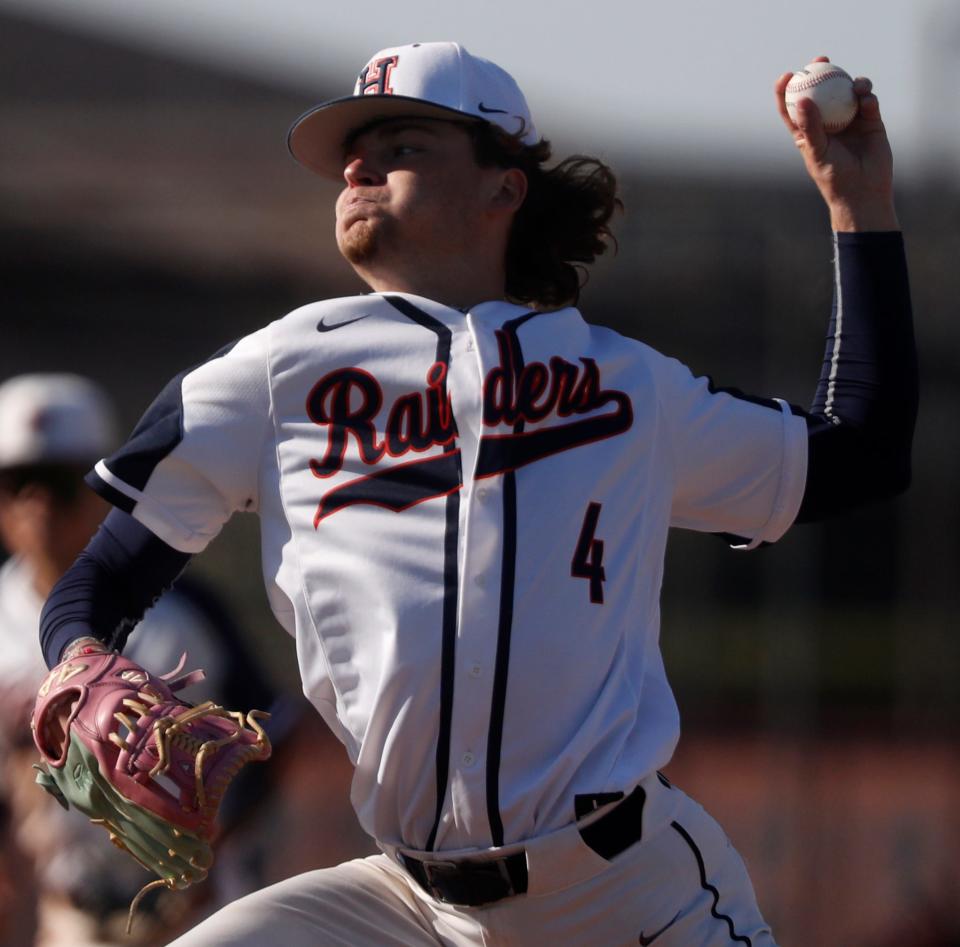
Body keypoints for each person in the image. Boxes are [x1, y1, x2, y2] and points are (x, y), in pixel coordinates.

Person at [36, 43, 916, 946]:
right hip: (406, 904)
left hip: (630, 895)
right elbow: (95, 584)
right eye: (352, 148)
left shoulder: (628, 386)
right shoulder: (269, 376)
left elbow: (860, 455)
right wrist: (79, 662)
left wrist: (860, 205)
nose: (357, 164)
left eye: (404, 142)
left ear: (504, 187)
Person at [0, 374, 301, 945]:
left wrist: (218, 850)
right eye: (15, 485)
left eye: (58, 484)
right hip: (68, 913)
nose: (34, 505)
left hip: (198, 912)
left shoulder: (186, 613)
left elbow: (275, 744)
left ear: (101, 493)